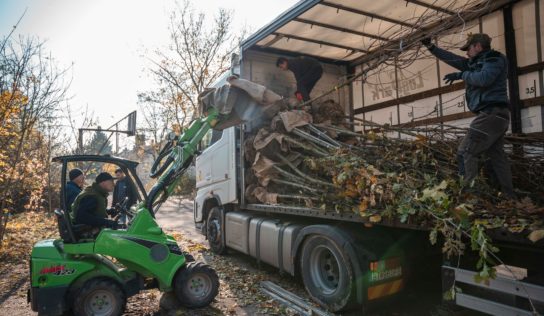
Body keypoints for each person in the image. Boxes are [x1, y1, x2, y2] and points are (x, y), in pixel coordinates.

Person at [421, 33, 514, 197]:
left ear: (478, 46)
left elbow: (484, 79)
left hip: (491, 114)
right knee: (497, 156)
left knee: (465, 151)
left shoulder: (494, 58)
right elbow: (452, 59)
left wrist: (461, 75)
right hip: (496, 116)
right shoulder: (475, 62)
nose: (466, 53)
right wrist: (431, 48)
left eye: (468, 49)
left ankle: (470, 196)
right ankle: (509, 195)